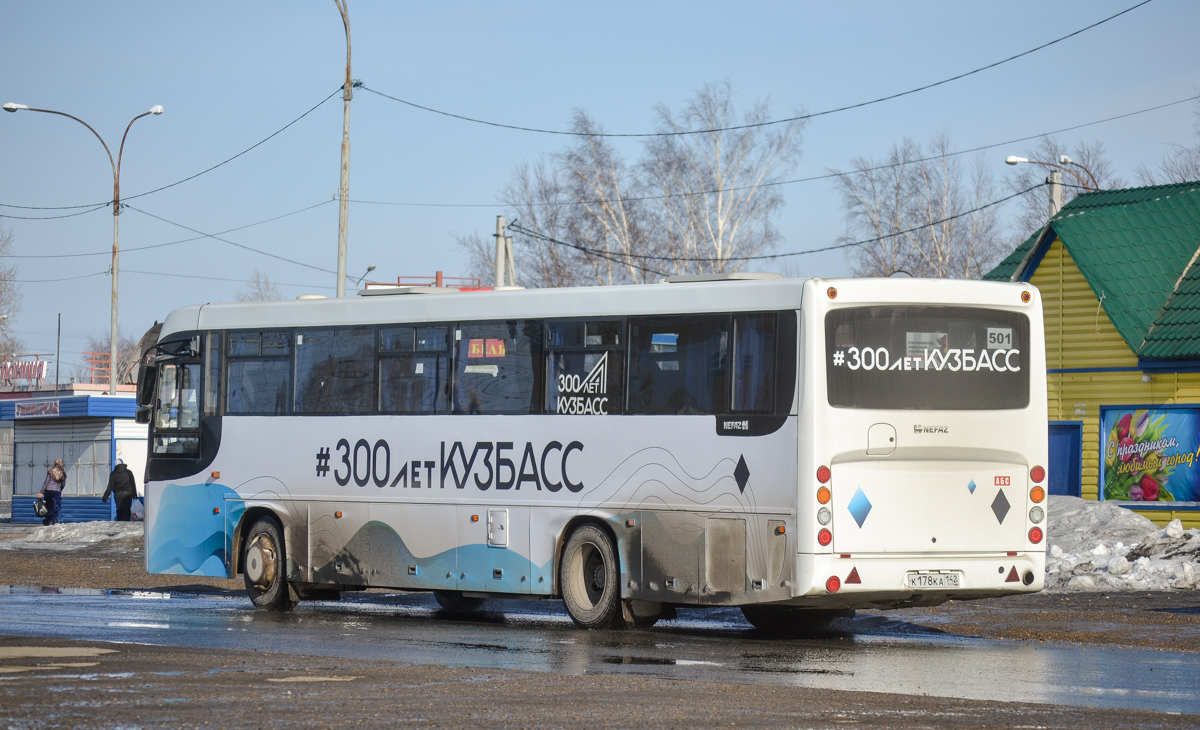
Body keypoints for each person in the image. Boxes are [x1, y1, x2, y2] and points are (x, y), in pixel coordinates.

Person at [36, 458, 66, 526]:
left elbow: (46, 483)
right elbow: (63, 484)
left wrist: (41, 492)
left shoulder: (50, 472)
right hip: (56, 491)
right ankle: (55, 520)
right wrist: (59, 489)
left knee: (48, 506)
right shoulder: (62, 473)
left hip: (48, 491)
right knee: (57, 506)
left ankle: (47, 520)